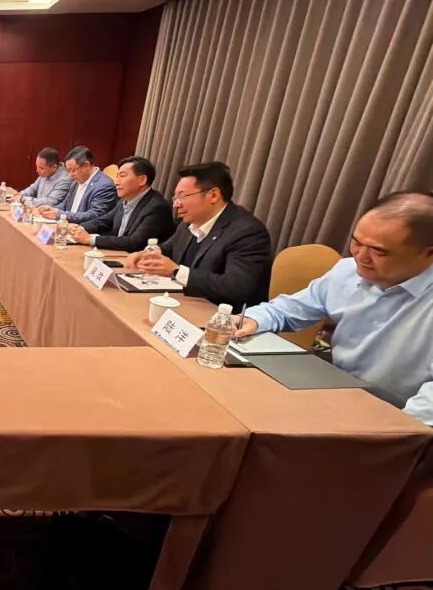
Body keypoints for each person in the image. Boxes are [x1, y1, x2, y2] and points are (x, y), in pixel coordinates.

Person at [236, 191, 433, 424]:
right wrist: (253, 319)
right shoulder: (346, 271)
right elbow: (287, 310)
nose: (360, 256)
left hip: (392, 417)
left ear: (428, 253)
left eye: (378, 251)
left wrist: (388, 431)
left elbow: (425, 410)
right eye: (356, 242)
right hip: (333, 391)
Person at [128, 161, 271, 309]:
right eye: (175, 198)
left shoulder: (247, 232)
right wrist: (148, 253)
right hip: (183, 303)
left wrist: (177, 272)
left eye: (183, 196)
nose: (176, 205)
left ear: (213, 195)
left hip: (219, 315)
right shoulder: (190, 222)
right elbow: (169, 248)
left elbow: (236, 287)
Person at [69, 156, 175, 252]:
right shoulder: (124, 200)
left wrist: (91, 239)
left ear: (142, 180)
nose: (116, 182)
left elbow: (134, 242)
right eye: (117, 176)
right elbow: (104, 221)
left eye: (122, 176)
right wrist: (80, 228)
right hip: (117, 254)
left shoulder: (157, 207)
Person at [39, 146, 118, 224]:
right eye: (68, 171)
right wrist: (52, 209)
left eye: (73, 170)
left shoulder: (105, 185)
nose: (70, 175)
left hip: (84, 229)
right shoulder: (76, 182)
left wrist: (60, 214)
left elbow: (94, 215)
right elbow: (66, 205)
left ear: (86, 165)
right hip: (67, 226)